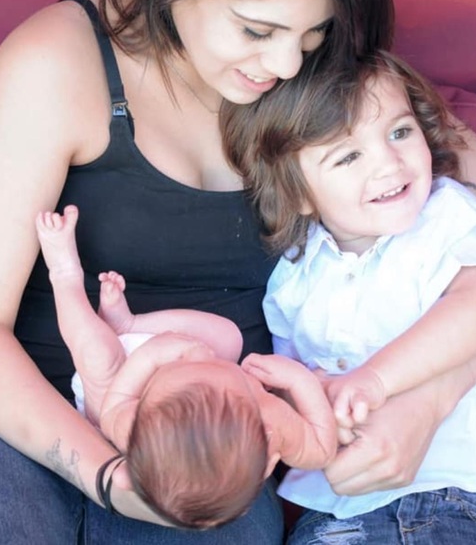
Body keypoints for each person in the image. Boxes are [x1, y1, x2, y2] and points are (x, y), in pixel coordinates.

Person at [0, 0, 476, 543]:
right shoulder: (60, 61)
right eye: (255, 30)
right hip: (19, 414)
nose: (288, 65)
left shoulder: (321, 70)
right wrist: (106, 475)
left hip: (214, 444)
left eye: (312, 31)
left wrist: (429, 400)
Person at [221, 50, 476, 543]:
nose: (389, 162)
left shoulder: (445, 216)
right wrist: (309, 400)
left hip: (443, 503)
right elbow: (291, 388)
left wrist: (374, 381)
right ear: (297, 194)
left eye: (400, 132)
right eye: (348, 156)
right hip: (328, 519)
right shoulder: (294, 274)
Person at [35, 204, 336, 529]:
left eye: (196, 365)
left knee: (98, 356)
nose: (199, 356)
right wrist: (297, 378)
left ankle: (64, 276)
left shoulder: (133, 429)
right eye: (209, 367)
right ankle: (129, 324)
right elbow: (322, 447)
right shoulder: (274, 428)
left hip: (118, 388)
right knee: (229, 336)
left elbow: (114, 406)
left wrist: (160, 352)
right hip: (154, 354)